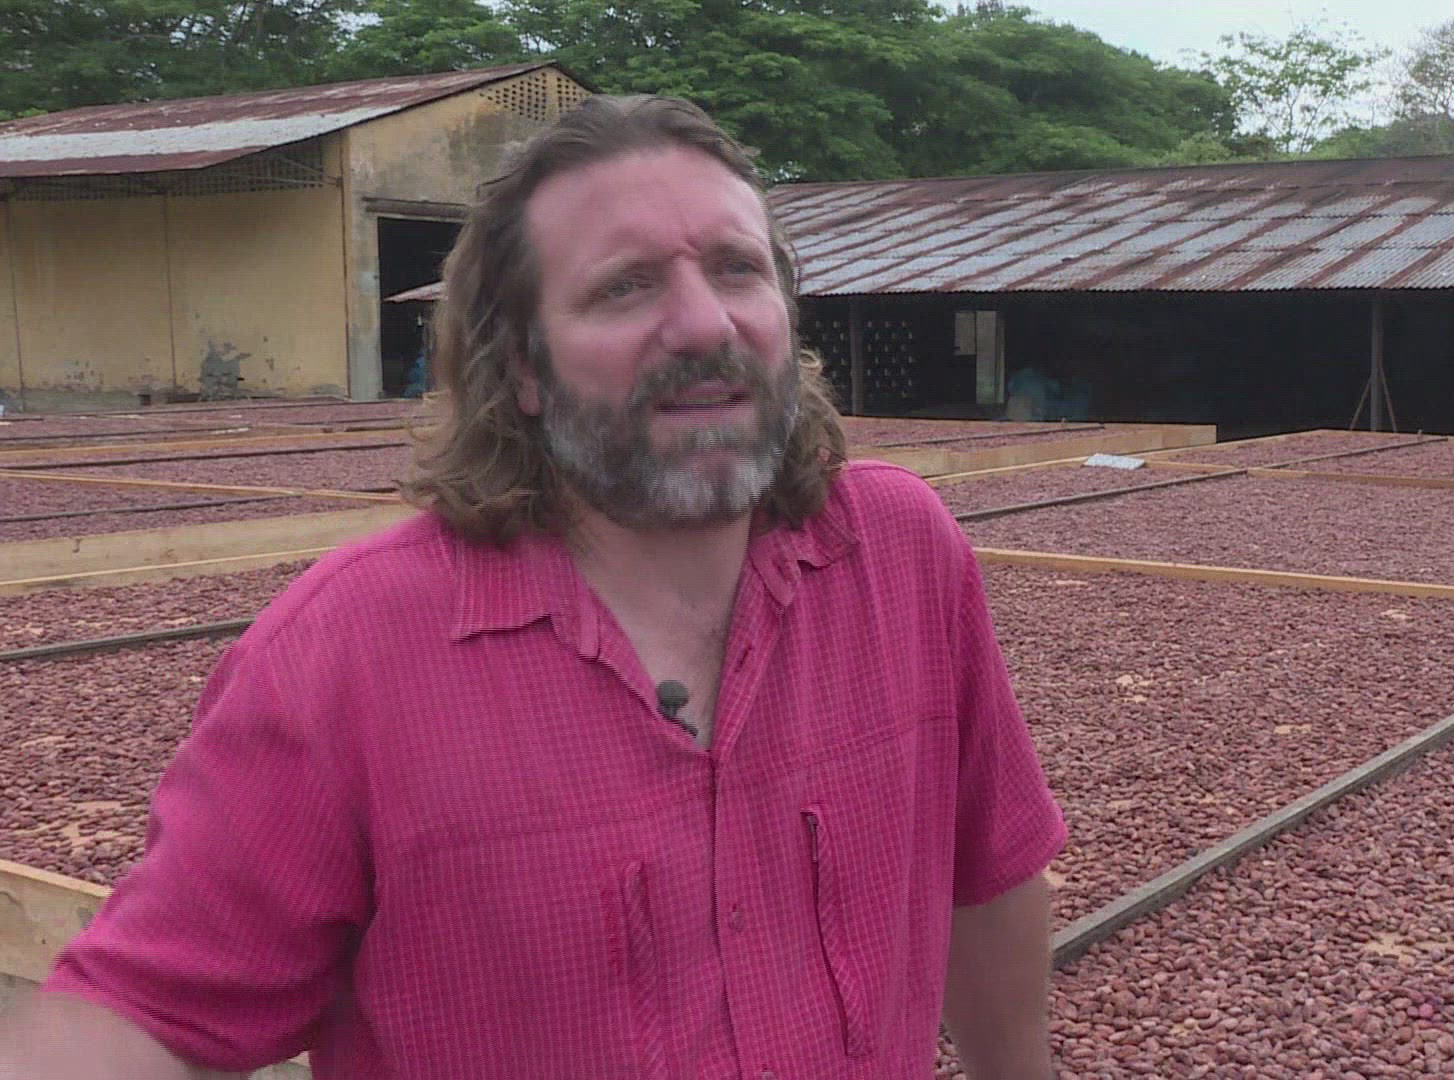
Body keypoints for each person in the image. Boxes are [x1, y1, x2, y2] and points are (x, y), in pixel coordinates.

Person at [0, 95, 1066, 1080]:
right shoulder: (345, 655)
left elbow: (992, 867)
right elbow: (138, 1018)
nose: (705, 324)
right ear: (520, 368)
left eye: (737, 269)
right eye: (624, 286)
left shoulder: (900, 553)